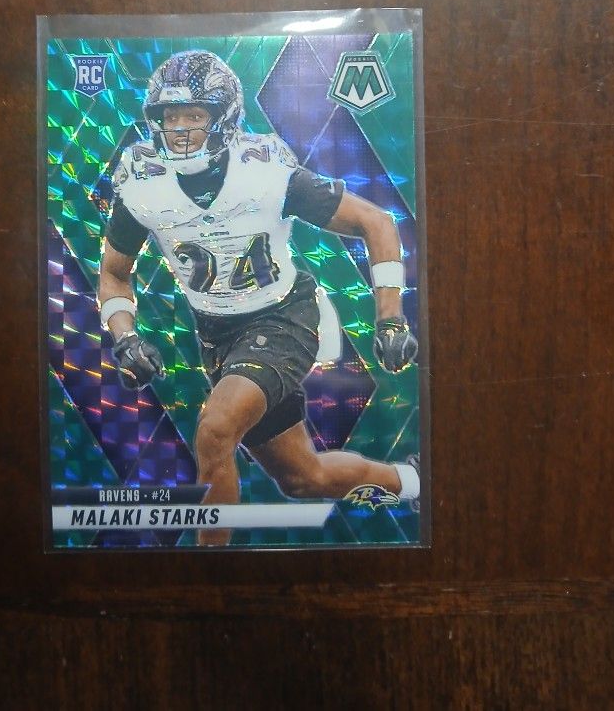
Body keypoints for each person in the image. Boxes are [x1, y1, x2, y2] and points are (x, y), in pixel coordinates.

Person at [98, 49, 419, 545]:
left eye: (194, 115)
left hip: (282, 318)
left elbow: (375, 221)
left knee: (215, 429)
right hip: (216, 334)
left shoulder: (265, 174)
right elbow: (115, 273)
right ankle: (414, 481)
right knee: (303, 478)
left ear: (223, 118)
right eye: (170, 116)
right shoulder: (143, 186)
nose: (179, 129)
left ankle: (210, 573)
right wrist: (125, 336)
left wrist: (391, 317)